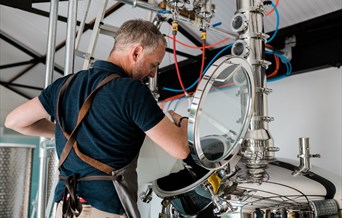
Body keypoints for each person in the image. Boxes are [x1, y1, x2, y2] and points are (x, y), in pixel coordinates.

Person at [5, 19, 189, 218]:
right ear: (136, 52)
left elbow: (14, 121)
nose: (153, 73)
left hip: (65, 208)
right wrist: (183, 123)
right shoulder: (131, 91)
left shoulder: (64, 85)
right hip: (106, 209)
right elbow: (179, 149)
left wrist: (61, 131)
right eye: (153, 64)